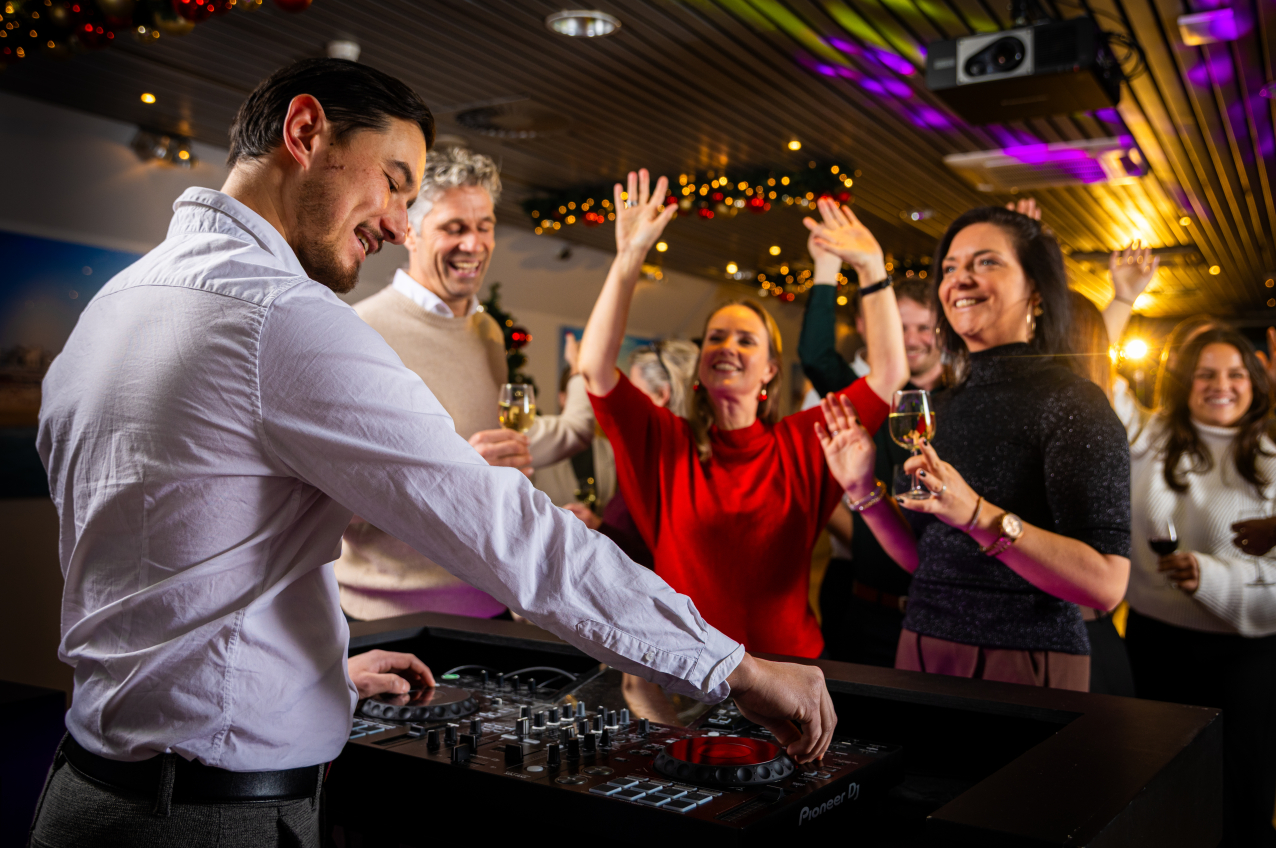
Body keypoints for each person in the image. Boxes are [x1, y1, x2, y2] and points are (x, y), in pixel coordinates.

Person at [29, 59, 834, 847]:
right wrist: (734, 668)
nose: (398, 223)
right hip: (206, 821)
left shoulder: (114, 305)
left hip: (85, 794)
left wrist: (315, 675)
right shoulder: (284, 318)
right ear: (305, 131)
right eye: (395, 181)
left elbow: (164, 577)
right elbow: (506, 531)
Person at [578, 173, 908, 658]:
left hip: (791, 676)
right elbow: (594, 368)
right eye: (715, 337)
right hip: (688, 675)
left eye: (745, 340)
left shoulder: (805, 440)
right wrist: (628, 259)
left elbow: (889, 372)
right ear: (700, 359)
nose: (727, 347)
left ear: (771, 371)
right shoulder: (666, 442)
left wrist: (872, 268)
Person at [817, 205, 1131, 691]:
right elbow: (925, 559)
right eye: (950, 267)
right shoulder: (937, 406)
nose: (960, 279)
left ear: (1037, 290)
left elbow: (1106, 584)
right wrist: (864, 489)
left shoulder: (1073, 402)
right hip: (920, 642)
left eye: (986, 262)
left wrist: (976, 515)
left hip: (1026, 658)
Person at [334, 147, 594, 622]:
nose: (473, 244)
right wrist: (456, 473)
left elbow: (502, 458)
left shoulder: (488, 332)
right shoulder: (359, 331)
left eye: (484, 226)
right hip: (389, 619)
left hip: (491, 608)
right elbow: (329, 495)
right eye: (454, 228)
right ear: (409, 231)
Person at [1119, 325, 1276, 846]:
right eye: (1205, 374)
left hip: (1248, 658)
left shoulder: (1274, 455)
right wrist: (1121, 298)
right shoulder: (1150, 436)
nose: (1220, 385)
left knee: (1239, 794)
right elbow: (1101, 383)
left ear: (1255, 382)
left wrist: (1216, 577)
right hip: (1153, 643)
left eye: (1235, 374)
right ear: (1184, 381)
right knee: (1158, 788)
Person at [799, 273, 944, 666]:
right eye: (900, 327)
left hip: (942, 616)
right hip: (866, 609)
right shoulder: (873, 402)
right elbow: (815, 355)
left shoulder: (965, 402)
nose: (911, 339)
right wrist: (828, 266)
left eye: (923, 327)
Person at [554, 339, 700, 570]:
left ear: (662, 395)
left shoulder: (664, 463)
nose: (626, 396)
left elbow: (663, 563)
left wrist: (598, 527)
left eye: (633, 389)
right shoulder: (678, 454)